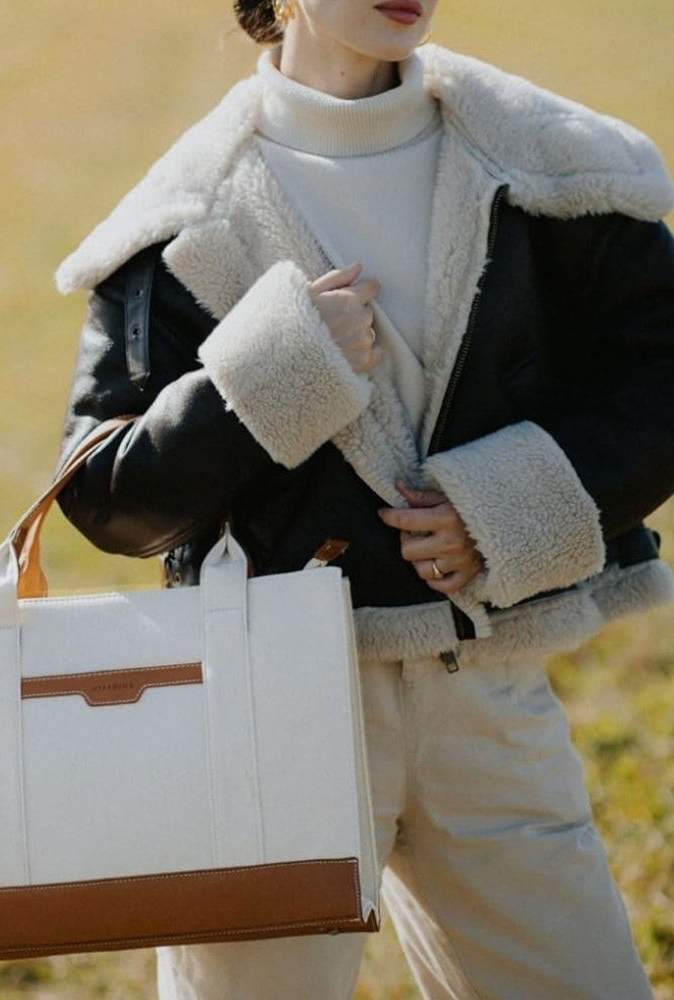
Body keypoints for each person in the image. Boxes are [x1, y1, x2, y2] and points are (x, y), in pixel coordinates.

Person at [51, 0, 674, 997]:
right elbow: (105, 497)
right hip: (266, 713)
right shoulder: (178, 217)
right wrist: (264, 376)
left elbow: (658, 380)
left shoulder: (558, 162)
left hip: (485, 691)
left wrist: (511, 502)